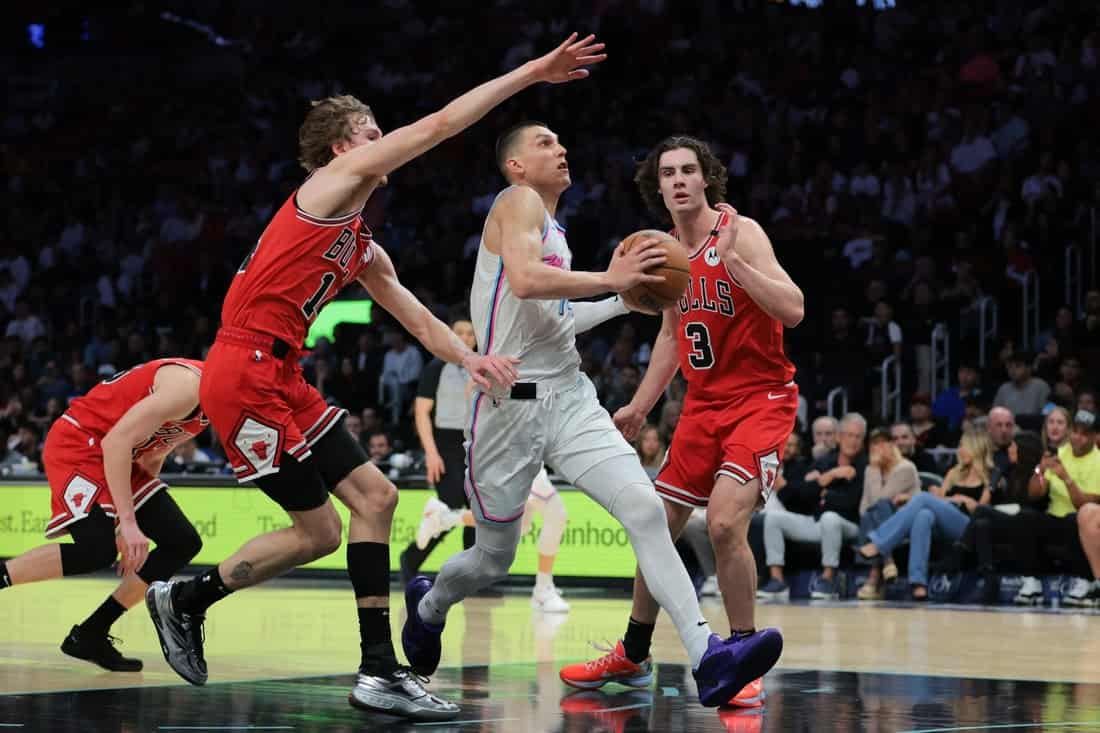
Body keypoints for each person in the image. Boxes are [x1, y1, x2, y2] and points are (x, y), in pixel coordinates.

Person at [144, 34, 606, 722]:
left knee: (378, 498)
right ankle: (186, 599)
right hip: (242, 370)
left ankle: (377, 669)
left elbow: (417, 316)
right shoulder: (330, 186)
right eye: (369, 132)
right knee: (320, 532)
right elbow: (441, 125)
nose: (381, 139)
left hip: (282, 371)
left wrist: (469, 357)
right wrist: (536, 72)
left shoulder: (357, 237)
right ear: (343, 148)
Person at [403, 125, 770, 709]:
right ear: (517, 166)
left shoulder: (557, 234)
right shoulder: (514, 203)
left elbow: (553, 322)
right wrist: (613, 280)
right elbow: (524, 282)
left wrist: (619, 303)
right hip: (508, 406)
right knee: (493, 557)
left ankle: (708, 656)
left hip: (570, 397)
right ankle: (429, 604)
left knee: (646, 510)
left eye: (561, 142)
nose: (562, 149)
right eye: (546, 144)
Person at [557, 134, 802, 704]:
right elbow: (670, 338)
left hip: (760, 400)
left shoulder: (741, 233)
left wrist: (741, 267)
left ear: (706, 178)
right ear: (658, 186)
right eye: (669, 172)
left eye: (689, 170)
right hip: (701, 405)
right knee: (654, 523)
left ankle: (740, 655)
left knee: (721, 524)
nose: (680, 180)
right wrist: (640, 407)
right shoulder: (664, 253)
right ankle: (633, 656)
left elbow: (793, 309)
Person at [0, 360, 206, 671]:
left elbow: (153, 454)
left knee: (182, 541)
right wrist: (126, 522)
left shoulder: (212, 403)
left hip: (123, 455)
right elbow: (116, 442)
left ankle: (91, 633)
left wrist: (135, 517)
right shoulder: (187, 386)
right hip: (81, 443)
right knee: (97, 549)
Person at [858, 430, 995, 601]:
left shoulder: (991, 475)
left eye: (963, 446)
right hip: (946, 520)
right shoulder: (954, 473)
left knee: (923, 498)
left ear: (977, 448)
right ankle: (918, 582)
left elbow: (984, 510)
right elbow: (941, 499)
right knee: (924, 514)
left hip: (969, 526)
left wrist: (964, 500)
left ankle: (879, 543)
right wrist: (944, 497)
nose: (959, 450)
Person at [759, 413, 867, 601]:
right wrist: (831, 475)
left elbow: (851, 502)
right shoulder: (825, 461)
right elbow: (804, 495)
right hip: (817, 520)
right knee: (774, 518)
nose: (853, 441)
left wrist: (824, 493)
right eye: (849, 435)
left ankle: (828, 579)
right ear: (840, 437)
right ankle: (777, 580)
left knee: (830, 518)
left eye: (858, 436)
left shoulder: (865, 466)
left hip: (849, 525)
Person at [854, 427, 921, 600]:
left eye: (883, 444)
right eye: (874, 445)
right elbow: (864, 506)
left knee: (881, 507)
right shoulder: (870, 470)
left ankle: (874, 578)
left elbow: (879, 500)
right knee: (870, 515)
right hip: (881, 522)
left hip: (904, 522)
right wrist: (874, 469)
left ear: (892, 446)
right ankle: (887, 562)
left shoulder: (905, 468)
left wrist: (875, 469)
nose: (879, 449)